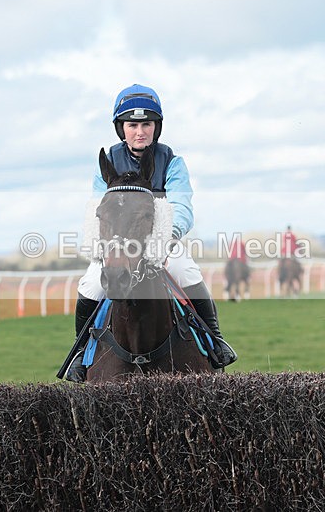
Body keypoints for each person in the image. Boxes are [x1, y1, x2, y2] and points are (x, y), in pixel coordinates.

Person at [64, 83, 237, 382]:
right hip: (117, 245)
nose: (140, 131)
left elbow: (181, 207)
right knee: (91, 284)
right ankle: (82, 353)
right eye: (133, 125)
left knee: (187, 272)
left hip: (160, 242)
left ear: (157, 127)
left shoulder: (172, 162)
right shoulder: (105, 164)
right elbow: (98, 208)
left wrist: (164, 241)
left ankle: (215, 343)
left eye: (147, 124)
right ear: (122, 128)